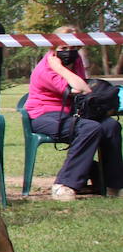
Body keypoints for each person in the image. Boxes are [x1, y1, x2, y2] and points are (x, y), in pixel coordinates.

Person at [25, 25, 123, 201]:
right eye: (63, 48)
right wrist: (60, 68)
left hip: (71, 113)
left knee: (111, 126)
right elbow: (81, 88)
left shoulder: (76, 61)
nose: (69, 52)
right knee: (89, 128)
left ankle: (112, 184)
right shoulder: (46, 68)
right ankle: (64, 184)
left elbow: (84, 90)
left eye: (73, 48)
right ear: (53, 48)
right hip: (43, 116)